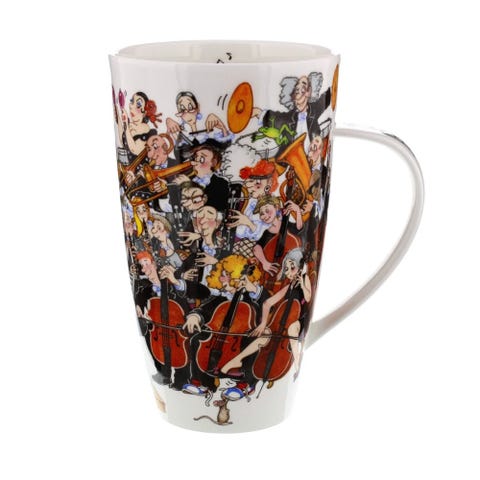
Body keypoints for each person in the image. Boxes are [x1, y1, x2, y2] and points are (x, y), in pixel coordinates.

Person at [254, 73, 331, 153]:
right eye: (297, 88)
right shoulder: (288, 118)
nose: (299, 87)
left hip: (311, 158)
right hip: (291, 159)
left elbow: (327, 96)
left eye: (303, 85)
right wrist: (257, 112)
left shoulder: (314, 111)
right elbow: (272, 117)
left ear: (309, 92)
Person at [117, 92, 161, 161]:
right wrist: (118, 115)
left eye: (138, 105)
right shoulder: (131, 125)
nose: (131, 106)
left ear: (145, 112)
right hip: (129, 166)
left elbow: (135, 150)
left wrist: (126, 124)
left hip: (141, 167)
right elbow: (122, 142)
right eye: (132, 101)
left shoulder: (145, 128)